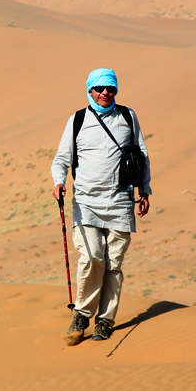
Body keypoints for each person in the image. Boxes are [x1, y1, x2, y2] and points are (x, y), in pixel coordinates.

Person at [51, 68, 151, 342]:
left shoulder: (128, 117)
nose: (106, 93)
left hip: (120, 201)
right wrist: (59, 181)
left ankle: (105, 320)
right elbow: (62, 159)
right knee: (92, 257)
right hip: (86, 203)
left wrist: (145, 190)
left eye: (111, 89)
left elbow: (141, 154)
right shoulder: (78, 121)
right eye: (100, 89)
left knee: (113, 265)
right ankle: (82, 314)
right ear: (90, 91)